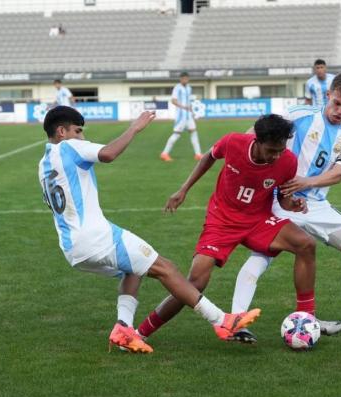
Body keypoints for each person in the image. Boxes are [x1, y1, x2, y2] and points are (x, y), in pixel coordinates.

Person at [38, 106, 261, 354]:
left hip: (72, 248)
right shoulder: (68, 147)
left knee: (132, 271)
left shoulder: (44, 165)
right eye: (77, 131)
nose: (82, 137)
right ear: (61, 132)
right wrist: (135, 127)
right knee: (166, 268)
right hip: (97, 237)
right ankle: (223, 321)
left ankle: (124, 328)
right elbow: (108, 154)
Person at [137, 114, 341, 341]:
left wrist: (294, 203)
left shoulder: (287, 160)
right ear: (257, 141)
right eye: (271, 150)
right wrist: (183, 189)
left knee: (305, 243)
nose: (276, 156)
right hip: (222, 220)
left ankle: (306, 316)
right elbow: (208, 157)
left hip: (258, 220)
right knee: (196, 282)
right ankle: (140, 333)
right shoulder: (233, 142)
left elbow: (284, 199)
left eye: (281, 149)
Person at [231, 73, 341, 343]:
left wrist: (306, 181)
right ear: (329, 95)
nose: (340, 111)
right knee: (261, 257)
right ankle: (235, 319)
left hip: (316, 205)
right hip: (279, 201)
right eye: (336, 103)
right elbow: (251, 137)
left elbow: (338, 174)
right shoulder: (298, 114)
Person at [160, 71, 202, 162]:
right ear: (181, 79)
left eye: (187, 78)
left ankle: (198, 154)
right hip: (181, 116)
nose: (185, 80)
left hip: (188, 116)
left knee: (194, 132)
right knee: (176, 134)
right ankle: (164, 153)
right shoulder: (177, 88)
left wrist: (192, 111)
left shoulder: (189, 88)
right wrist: (184, 107)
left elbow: (188, 102)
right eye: (184, 78)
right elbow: (173, 101)